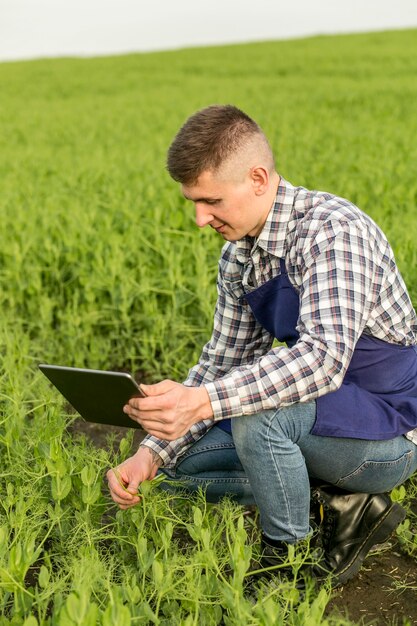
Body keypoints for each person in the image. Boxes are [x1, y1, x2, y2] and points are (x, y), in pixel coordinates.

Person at [107, 105, 417, 585]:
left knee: (257, 417)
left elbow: (321, 361)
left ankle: (285, 560)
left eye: (210, 201)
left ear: (257, 178)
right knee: (177, 473)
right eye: (192, 201)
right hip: (318, 416)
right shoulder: (238, 259)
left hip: (387, 429)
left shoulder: (332, 230)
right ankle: (338, 501)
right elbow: (221, 362)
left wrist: (204, 402)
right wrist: (151, 451)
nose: (198, 218)